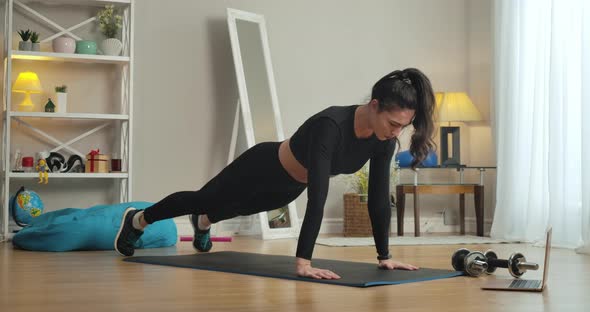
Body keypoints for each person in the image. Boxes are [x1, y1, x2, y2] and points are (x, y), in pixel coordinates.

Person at [115, 68, 436, 280]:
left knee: (236, 208)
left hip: (287, 187)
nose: (396, 133)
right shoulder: (332, 126)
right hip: (262, 165)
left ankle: (203, 222)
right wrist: (303, 261)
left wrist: (385, 256)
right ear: (375, 105)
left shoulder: (383, 142)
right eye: (393, 124)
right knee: (204, 198)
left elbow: (379, 199)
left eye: (403, 127)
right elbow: (319, 195)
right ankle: (139, 220)